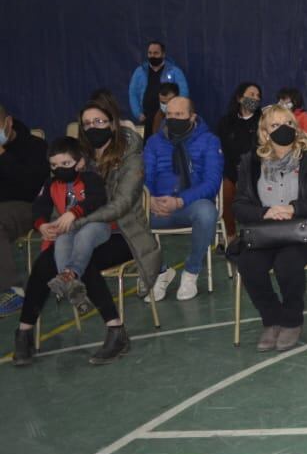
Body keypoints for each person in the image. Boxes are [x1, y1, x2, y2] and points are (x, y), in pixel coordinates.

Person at [12, 98, 162, 367]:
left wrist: (75, 221)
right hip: (79, 230)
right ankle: (24, 331)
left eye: (99, 121)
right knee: (45, 263)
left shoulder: (131, 158)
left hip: (124, 234)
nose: (93, 127)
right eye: (87, 123)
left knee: (85, 258)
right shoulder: (76, 158)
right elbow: (58, 199)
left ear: (112, 123)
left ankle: (116, 331)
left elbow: (121, 204)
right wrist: (49, 225)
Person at [229, 106, 307, 352]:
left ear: (296, 127)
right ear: (264, 133)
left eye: (287, 122)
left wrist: (294, 209)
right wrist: (264, 212)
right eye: (274, 125)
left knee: (288, 263)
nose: (283, 128)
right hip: (265, 231)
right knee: (249, 264)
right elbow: (239, 205)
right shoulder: (251, 162)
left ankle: (292, 320)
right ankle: (272, 318)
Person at [144, 97, 224, 301]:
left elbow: (212, 182)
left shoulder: (209, 141)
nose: (173, 118)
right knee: (130, 216)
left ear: (192, 116)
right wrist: (149, 200)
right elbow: (145, 177)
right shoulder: (154, 142)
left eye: (179, 115)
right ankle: (160, 272)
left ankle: (191, 272)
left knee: (207, 212)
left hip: (190, 205)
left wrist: (180, 201)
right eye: (169, 115)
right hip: (158, 207)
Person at [33, 137, 109, 316]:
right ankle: (75, 291)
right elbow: (39, 207)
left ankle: (70, 274)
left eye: (66, 163)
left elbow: (98, 198)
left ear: (80, 162)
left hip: (98, 225)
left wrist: (74, 212)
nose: (59, 169)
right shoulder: (50, 183)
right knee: (61, 241)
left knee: (85, 234)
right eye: (54, 165)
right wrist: (41, 225)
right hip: (70, 229)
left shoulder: (91, 177)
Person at [0, 104, 47, 317]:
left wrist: (3, 156)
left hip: (28, 206)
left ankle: (12, 291)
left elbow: (30, 186)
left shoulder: (35, 146)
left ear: (8, 123)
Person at [215, 82, 262, 242]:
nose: (255, 98)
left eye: (257, 96)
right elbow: (220, 149)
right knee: (226, 193)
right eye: (251, 95)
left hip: (258, 170)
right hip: (231, 170)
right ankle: (230, 235)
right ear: (240, 98)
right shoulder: (226, 122)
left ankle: (256, 234)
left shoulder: (263, 121)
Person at [127, 41, 189, 126]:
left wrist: (175, 113)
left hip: (167, 118)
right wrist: (138, 114)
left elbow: (183, 93)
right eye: (150, 53)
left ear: (163, 54)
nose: (152, 56)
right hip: (146, 118)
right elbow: (133, 93)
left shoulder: (175, 71)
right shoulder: (139, 72)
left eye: (156, 53)